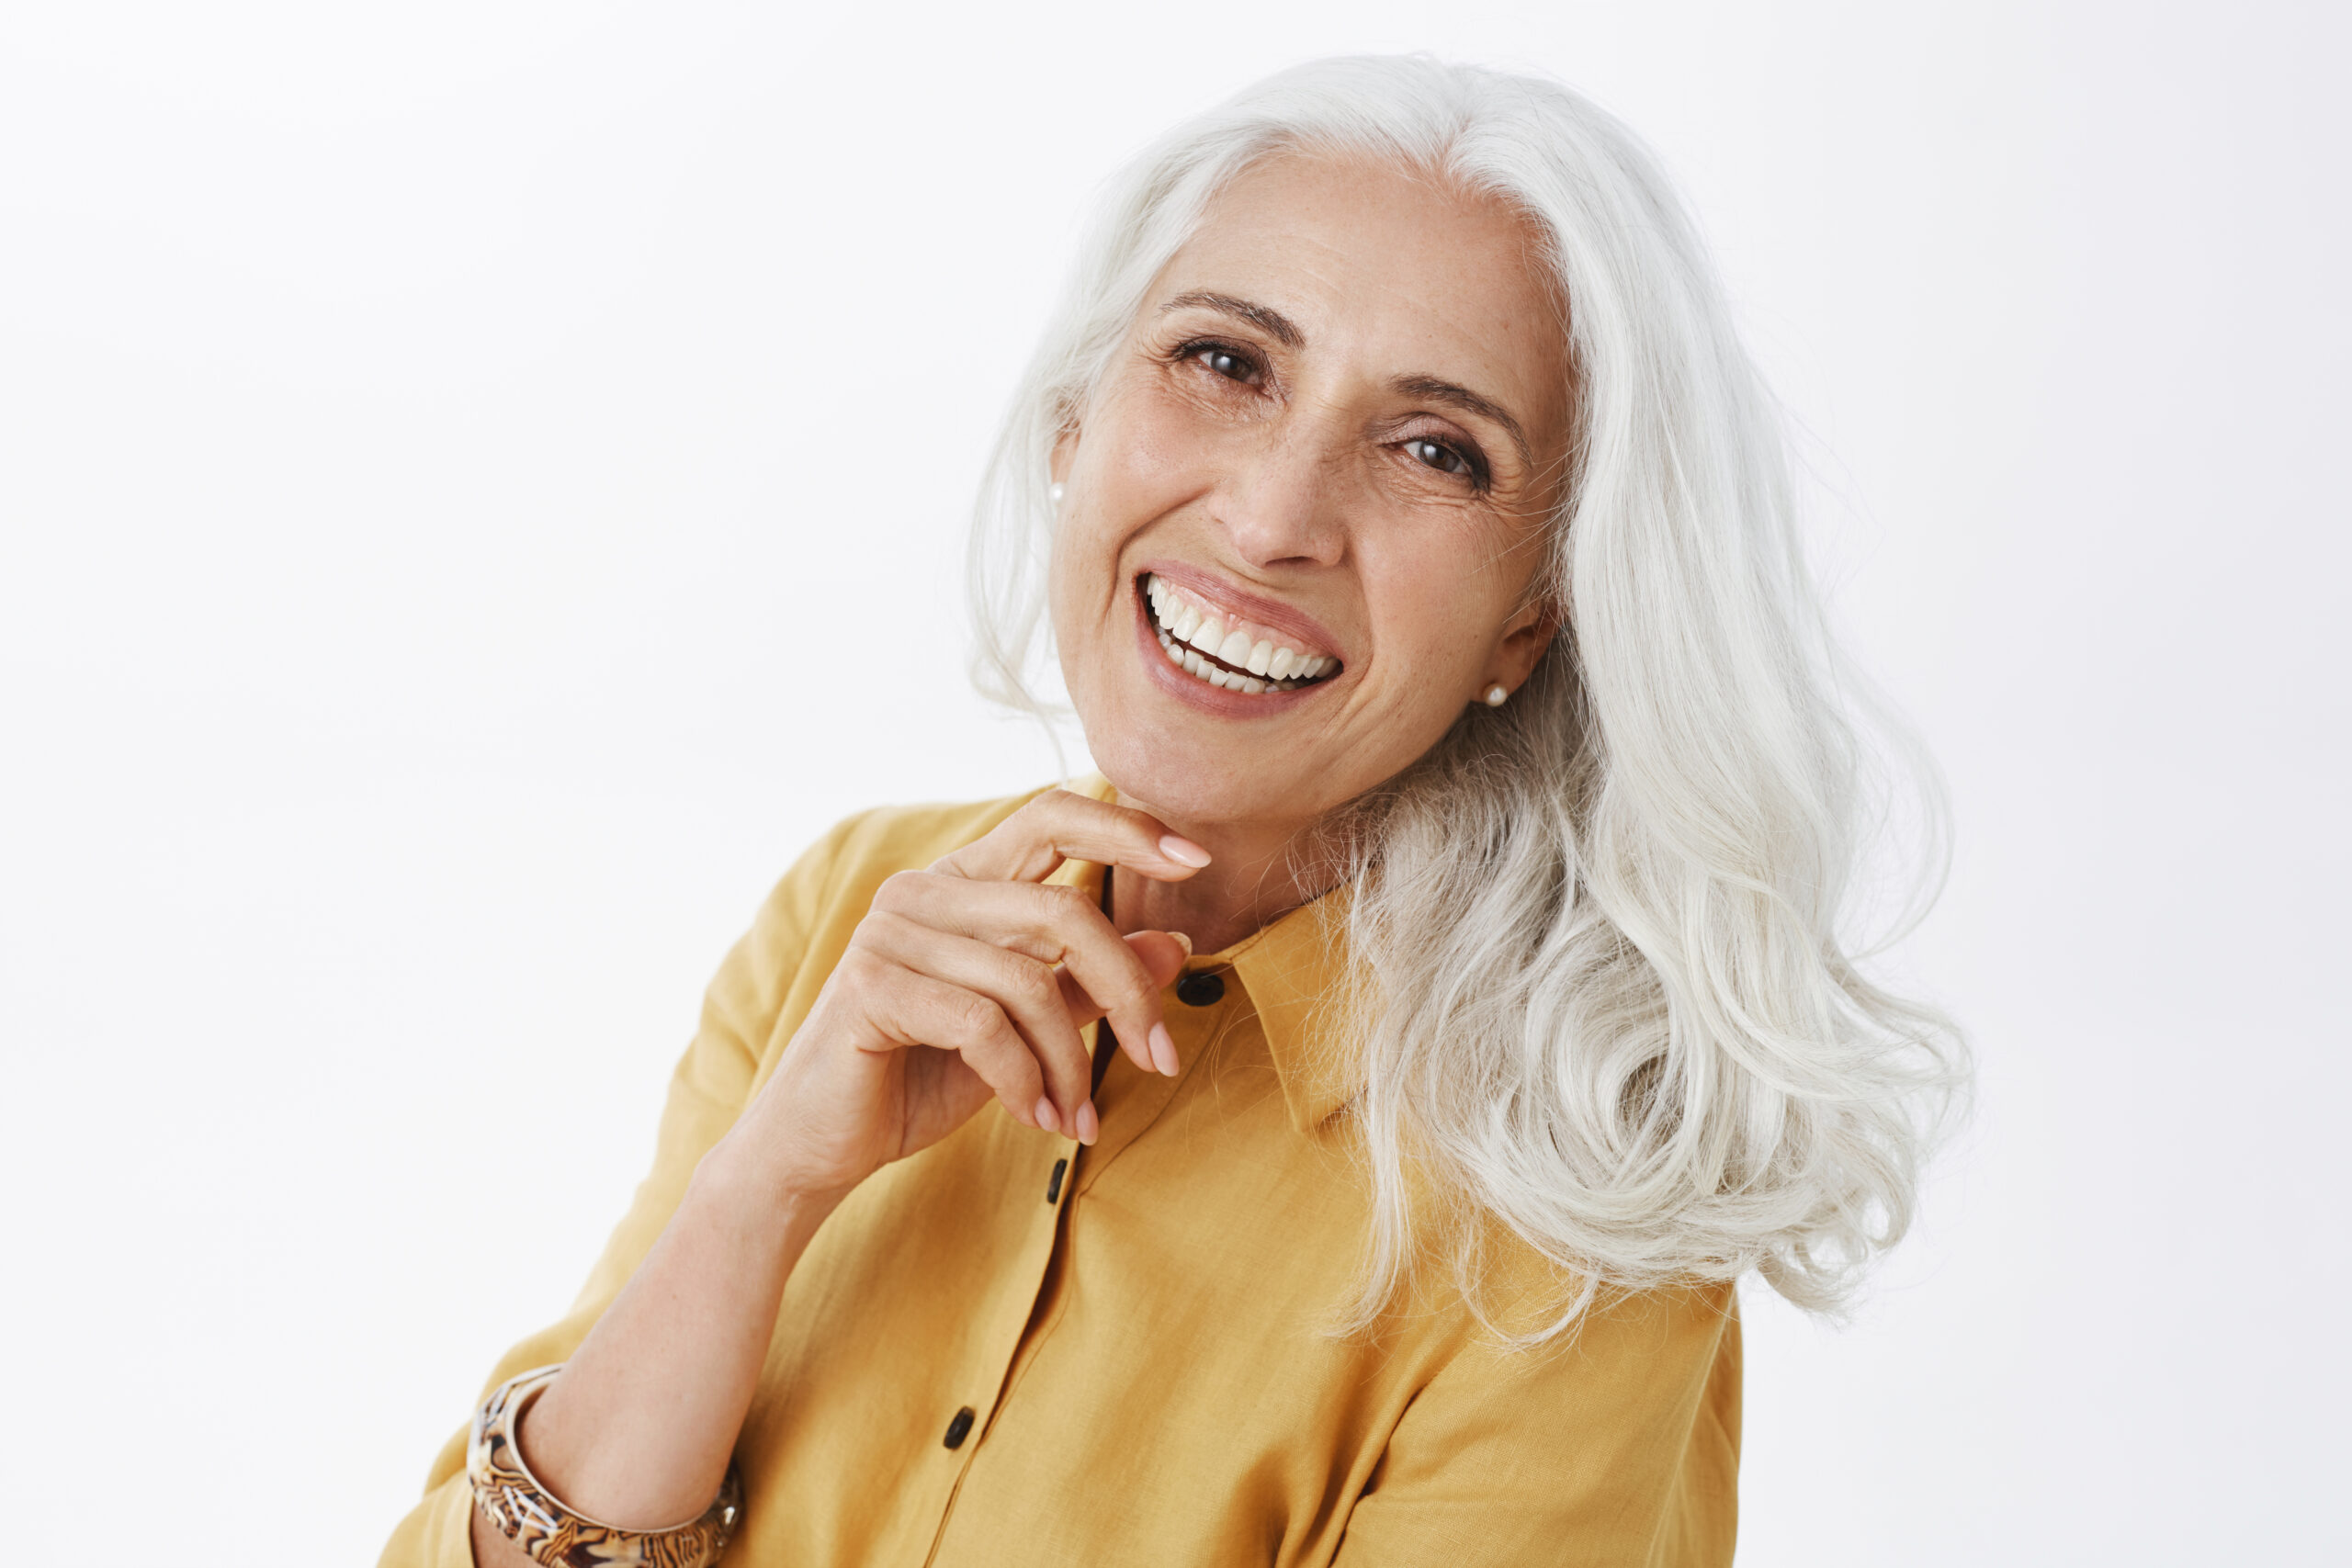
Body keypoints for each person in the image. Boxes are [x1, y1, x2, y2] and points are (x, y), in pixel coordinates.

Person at [380, 53, 1962, 1568]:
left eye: (1434, 449)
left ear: (1533, 616)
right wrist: (760, 1194)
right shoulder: (854, 908)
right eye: (1225, 363)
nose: (1272, 519)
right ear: (1078, 419)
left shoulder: (1577, 1210)